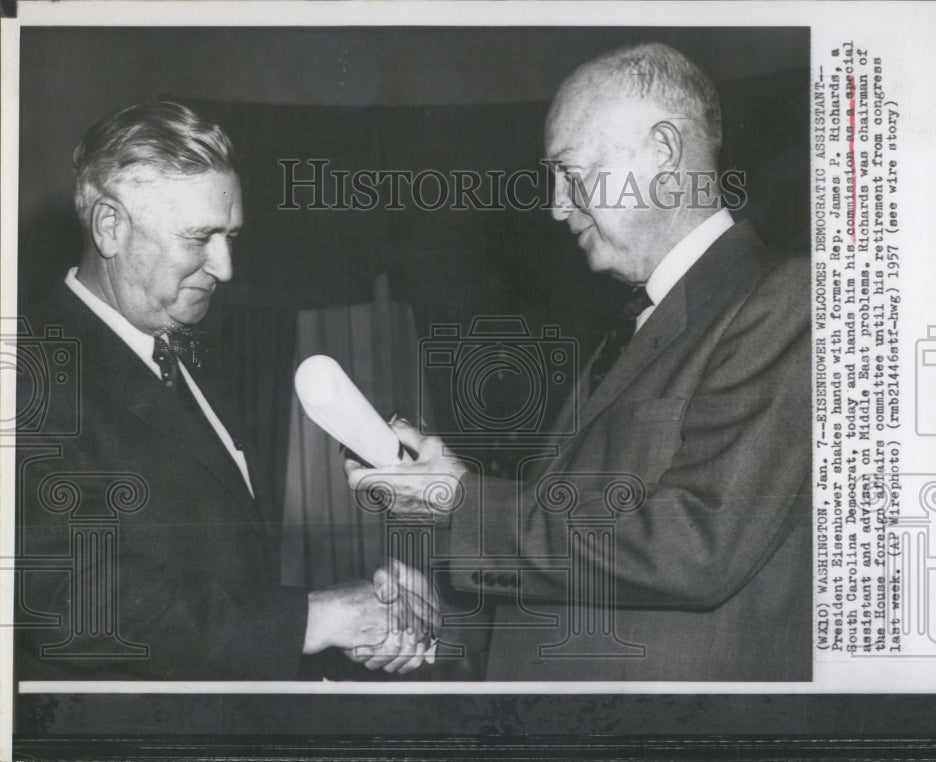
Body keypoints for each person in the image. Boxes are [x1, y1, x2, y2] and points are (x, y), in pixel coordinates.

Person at [347, 42, 812, 681]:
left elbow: (697, 546)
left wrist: (460, 503)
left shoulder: (786, 299)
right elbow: (582, 559)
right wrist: (443, 624)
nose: (557, 206)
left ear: (664, 152)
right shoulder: (630, 328)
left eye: (570, 173)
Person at [16, 102, 437, 681]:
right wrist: (309, 620)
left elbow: (215, 577)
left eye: (231, 236)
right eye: (199, 238)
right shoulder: (28, 368)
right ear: (110, 226)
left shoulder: (185, 346)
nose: (226, 267)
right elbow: (66, 596)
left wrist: (351, 614)